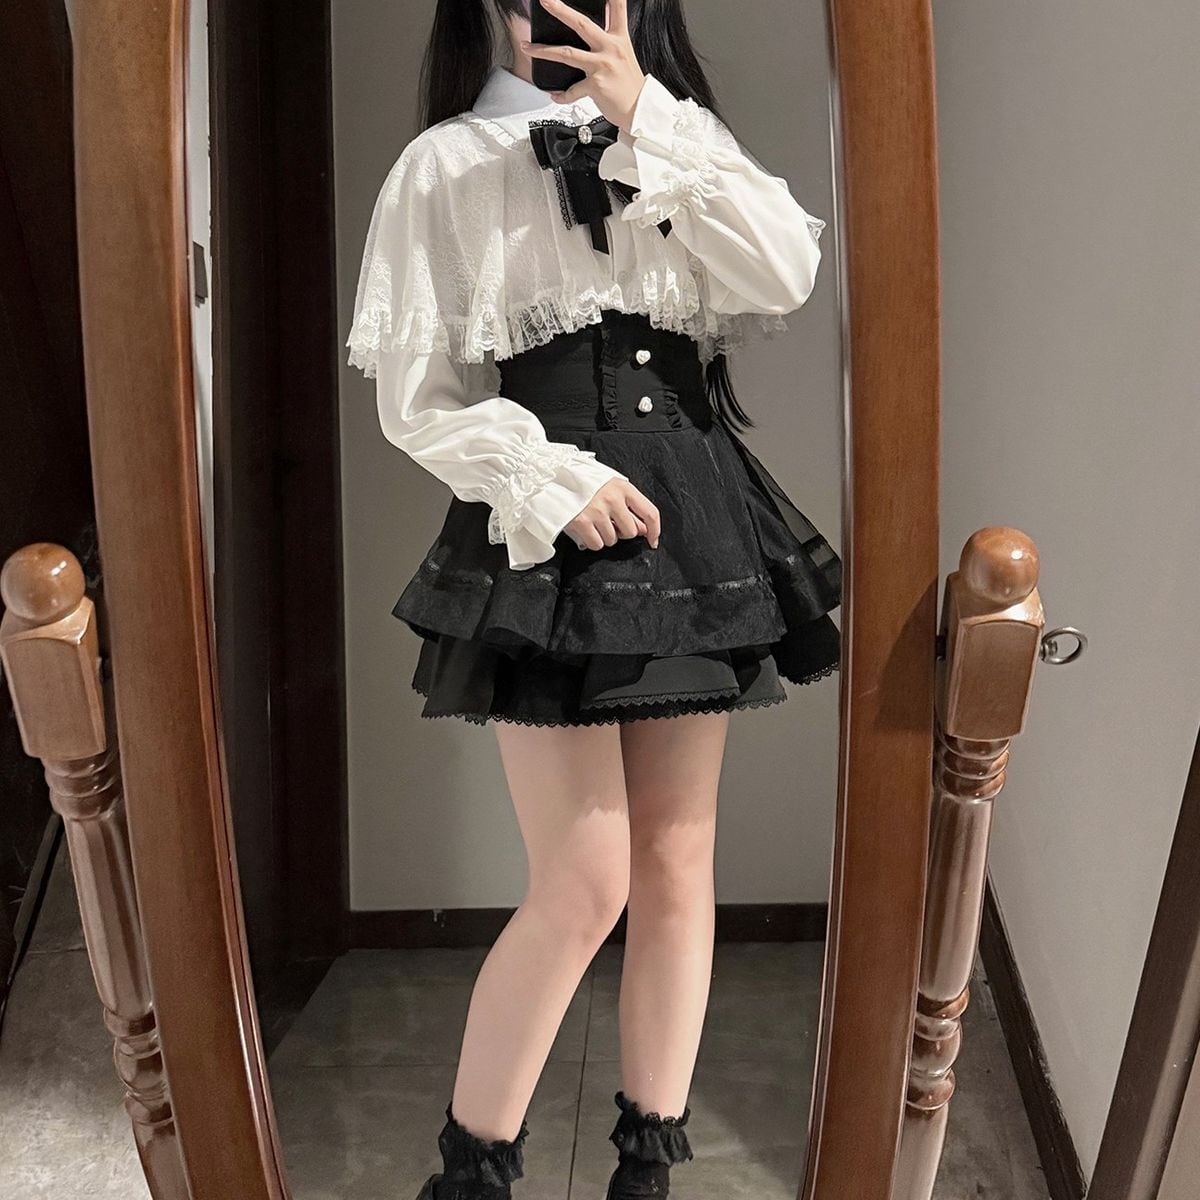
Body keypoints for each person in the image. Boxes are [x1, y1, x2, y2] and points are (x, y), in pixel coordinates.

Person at [345, 1, 842, 1196]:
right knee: (585, 877)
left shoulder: (679, 140)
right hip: (548, 524)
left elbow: (786, 269)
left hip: (694, 514)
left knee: (676, 861)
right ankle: (472, 1176)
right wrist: (549, 483)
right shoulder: (445, 167)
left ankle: (645, 1171)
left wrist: (648, 118)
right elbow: (418, 397)